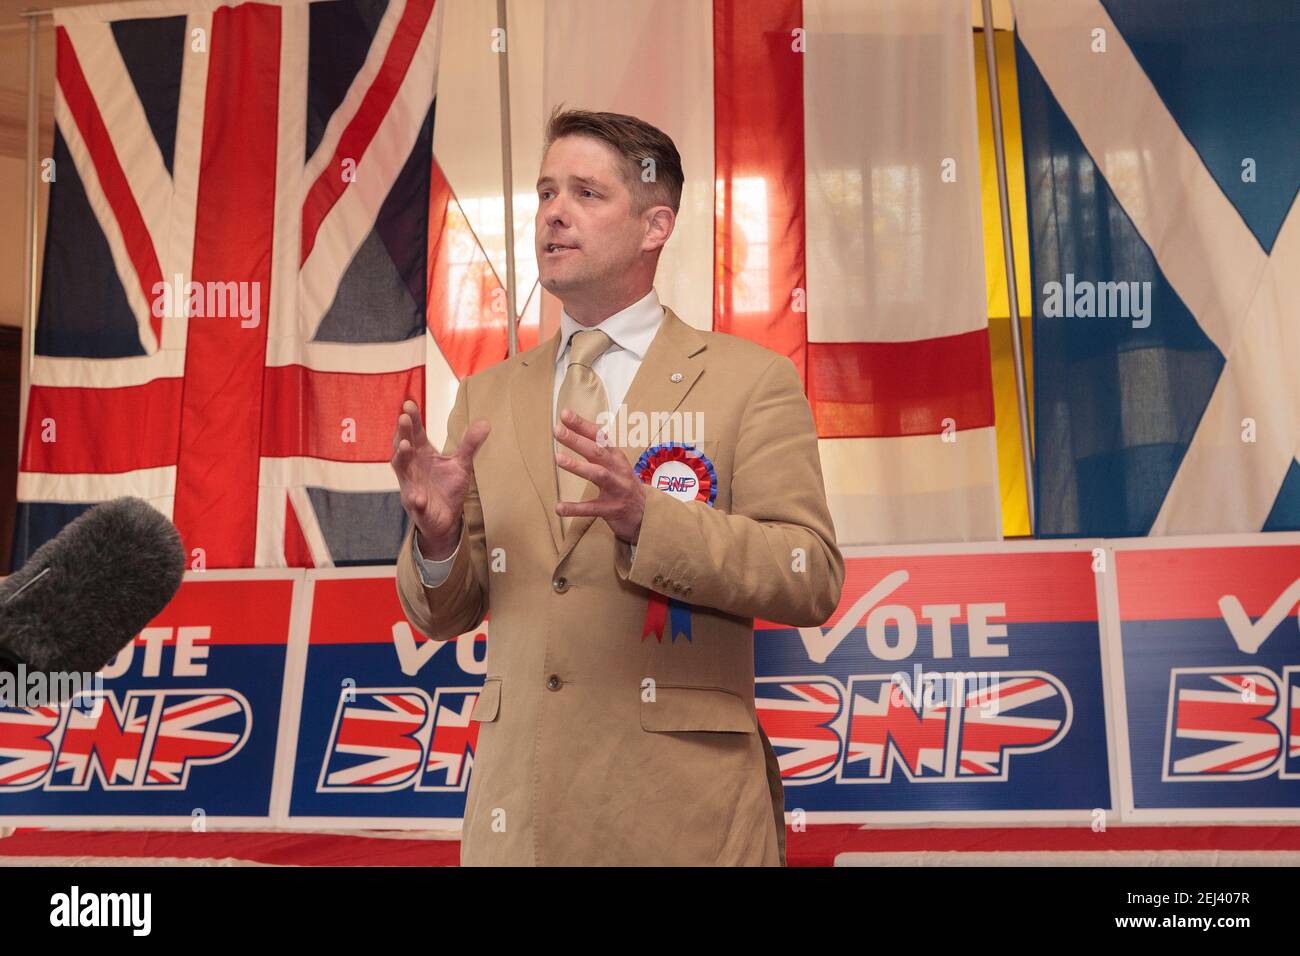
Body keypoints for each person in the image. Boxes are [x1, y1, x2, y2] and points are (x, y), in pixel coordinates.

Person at [391, 107, 844, 866]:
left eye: (585, 194)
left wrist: (649, 521)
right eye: (543, 194)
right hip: (522, 814)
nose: (553, 215)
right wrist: (436, 541)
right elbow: (446, 614)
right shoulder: (486, 396)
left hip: (685, 816)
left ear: (654, 225)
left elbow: (810, 574)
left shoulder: (749, 382)